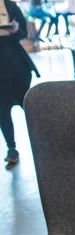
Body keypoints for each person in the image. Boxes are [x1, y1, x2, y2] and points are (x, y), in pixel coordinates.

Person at [0, 0, 40, 164]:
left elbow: (23, 32)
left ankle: (43, 144)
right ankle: (11, 148)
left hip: (17, 64)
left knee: (28, 106)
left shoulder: (10, 5)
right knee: (2, 110)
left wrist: (15, 30)